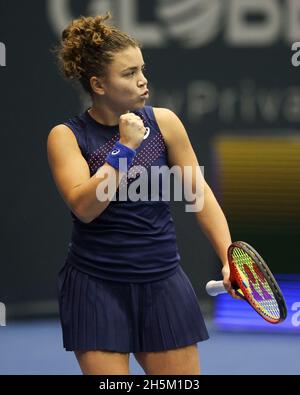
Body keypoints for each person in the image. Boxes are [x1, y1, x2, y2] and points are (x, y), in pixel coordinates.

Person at [47, 12, 237, 375]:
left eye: (142, 69)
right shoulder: (66, 137)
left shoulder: (164, 123)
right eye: (129, 73)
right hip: (95, 286)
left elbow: (200, 195)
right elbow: (85, 208)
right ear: (98, 85)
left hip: (163, 282)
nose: (143, 81)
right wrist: (124, 148)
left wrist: (228, 256)